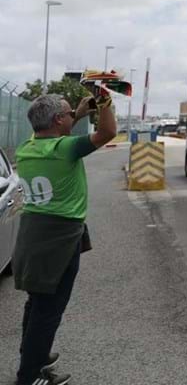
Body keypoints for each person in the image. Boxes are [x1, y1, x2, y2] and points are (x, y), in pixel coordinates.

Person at [14, 90, 117, 385]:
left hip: (32, 235)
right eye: (69, 113)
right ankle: (29, 376)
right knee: (48, 312)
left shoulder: (27, 148)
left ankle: (33, 357)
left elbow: (51, 130)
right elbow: (108, 131)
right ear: (59, 120)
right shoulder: (67, 148)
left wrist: (80, 112)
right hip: (59, 239)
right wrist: (106, 102)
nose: (74, 115)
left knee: (36, 304)